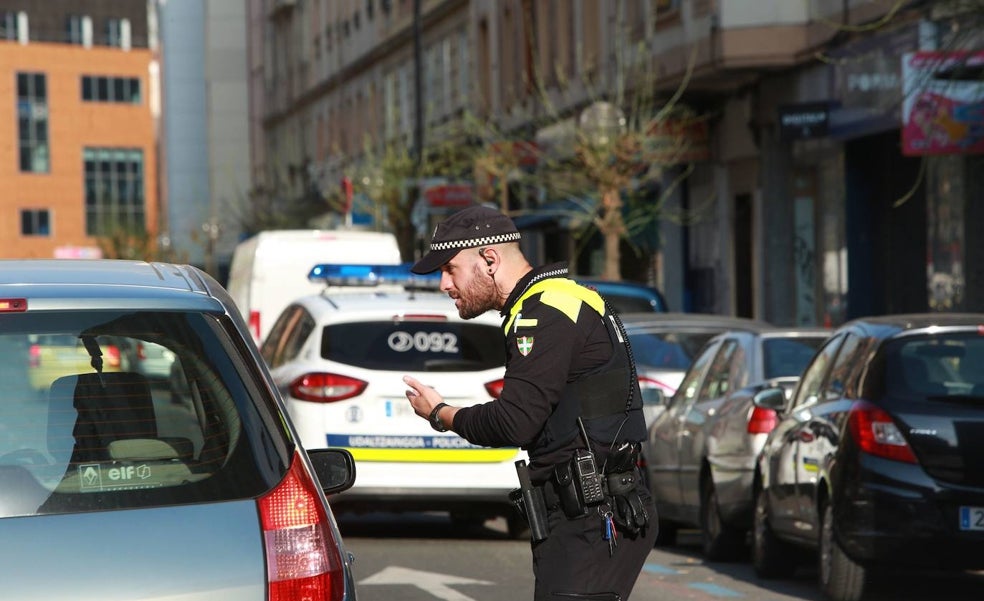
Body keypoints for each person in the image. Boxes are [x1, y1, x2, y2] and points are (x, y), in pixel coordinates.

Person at [403, 205, 657, 601]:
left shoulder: (544, 313)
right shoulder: (561, 297)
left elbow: (514, 421)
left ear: (489, 260)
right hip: (592, 509)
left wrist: (441, 414)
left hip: (591, 517)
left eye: (450, 269)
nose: (444, 285)